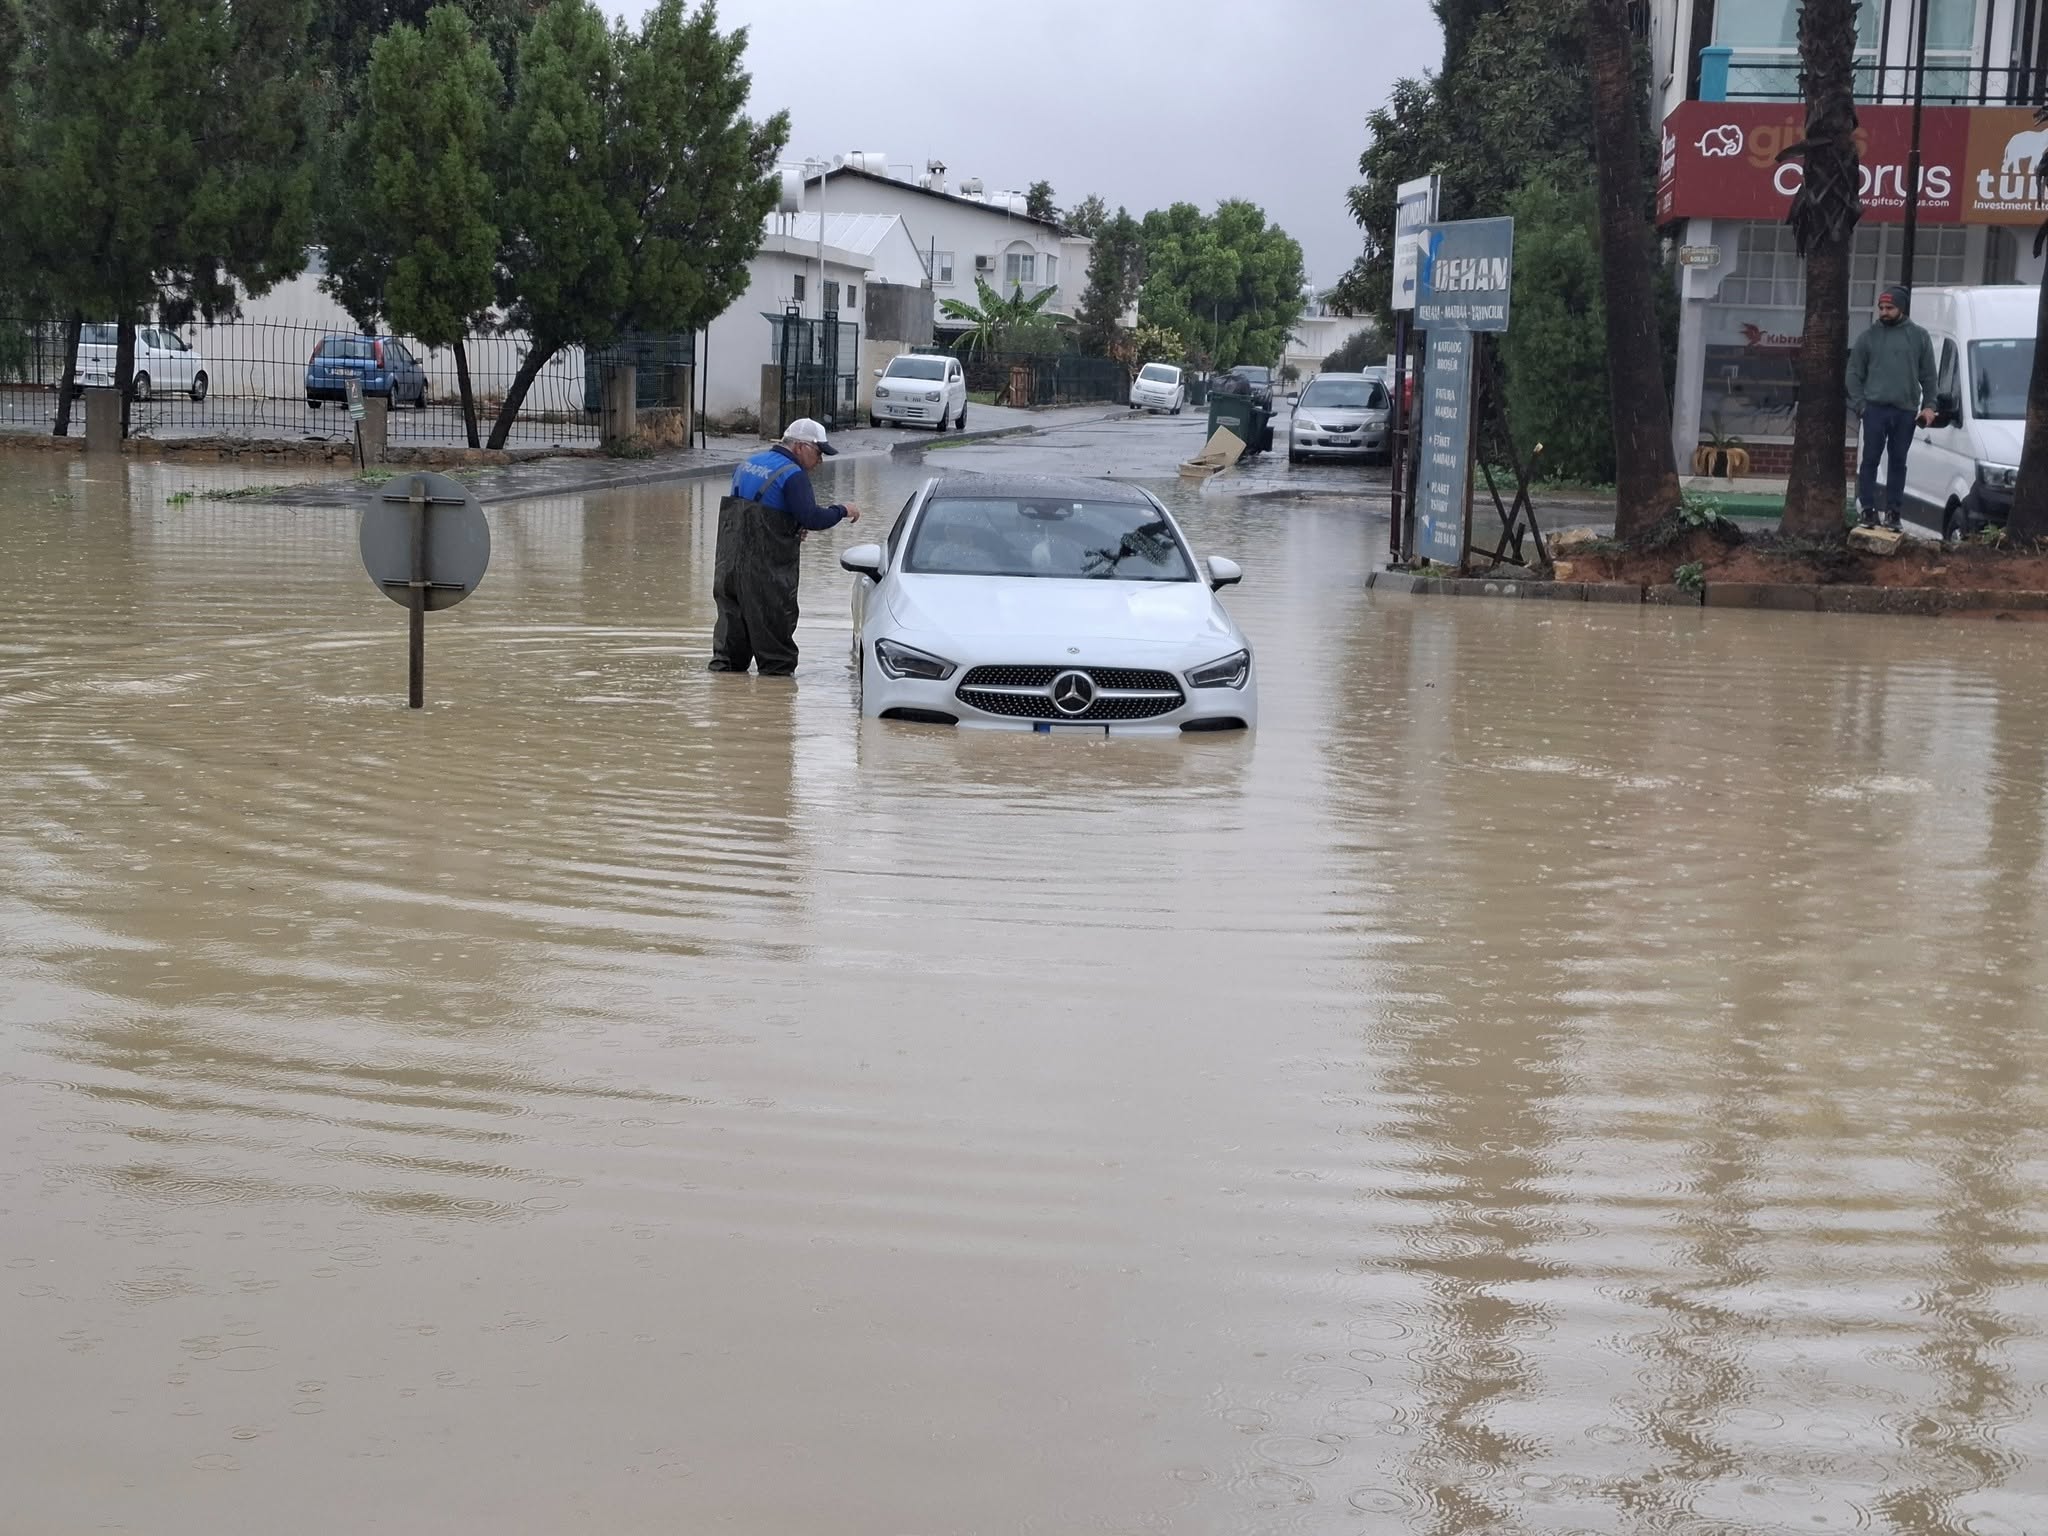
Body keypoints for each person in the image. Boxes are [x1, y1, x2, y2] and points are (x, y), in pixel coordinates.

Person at [708, 418, 860, 676]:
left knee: (730, 651)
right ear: (800, 447)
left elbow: (754, 510)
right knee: (776, 658)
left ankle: (725, 703)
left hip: (728, 568)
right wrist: (842, 510)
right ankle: (775, 710)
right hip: (766, 575)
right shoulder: (793, 475)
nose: (821, 461)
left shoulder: (750, 463)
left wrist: (788, 526)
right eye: (819, 452)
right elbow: (812, 518)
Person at [1846, 286, 1937, 532]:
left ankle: (1894, 512)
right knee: (1870, 461)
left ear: (1901, 308)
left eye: (1890, 308)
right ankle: (1867, 509)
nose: (1884, 312)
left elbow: (1929, 376)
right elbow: (1853, 374)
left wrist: (1929, 406)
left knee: (1898, 462)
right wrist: (1860, 405)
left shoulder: (1919, 336)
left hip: (1905, 411)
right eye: (1882, 308)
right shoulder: (1868, 338)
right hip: (1874, 409)